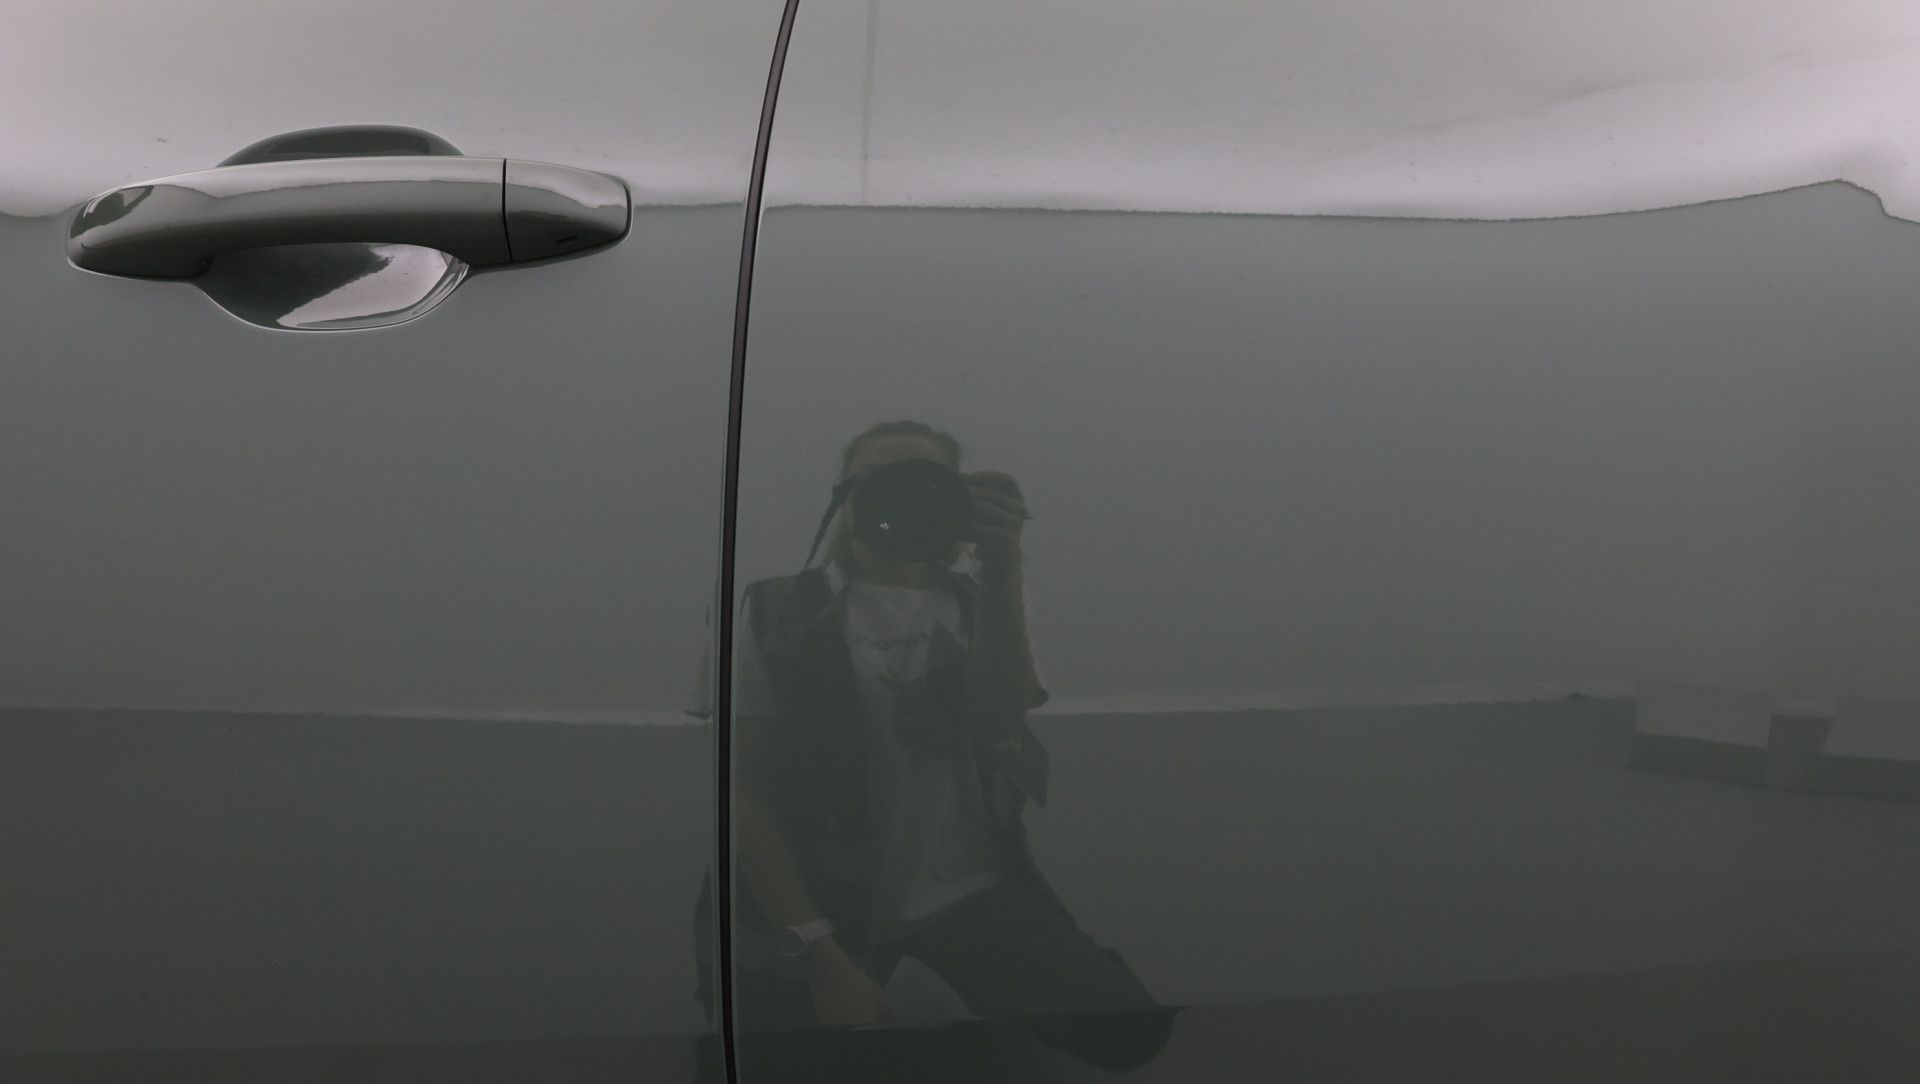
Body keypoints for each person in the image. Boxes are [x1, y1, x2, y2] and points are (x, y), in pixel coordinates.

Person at [696, 420, 1172, 1079]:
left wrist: (1002, 564)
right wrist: (818, 951)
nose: (898, 494)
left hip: (973, 904)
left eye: (923, 481)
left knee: (1127, 1030)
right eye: (876, 479)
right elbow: (745, 793)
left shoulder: (982, 600)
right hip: (828, 905)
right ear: (843, 497)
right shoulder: (775, 610)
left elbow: (1000, 718)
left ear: (957, 499)